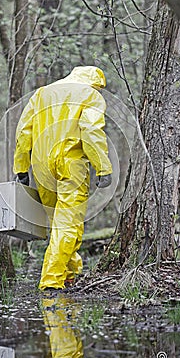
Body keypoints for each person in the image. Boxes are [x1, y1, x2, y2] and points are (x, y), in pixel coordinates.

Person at [13, 66, 112, 291]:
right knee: (68, 225)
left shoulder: (42, 93)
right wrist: (103, 168)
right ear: (95, 83)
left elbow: (23, 132)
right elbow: (91, 132)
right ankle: (51, 281)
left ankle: (69, 273)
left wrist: (20, 166)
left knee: (60, 225)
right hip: (71, 165)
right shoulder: (90, 95)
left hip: (40, 166)